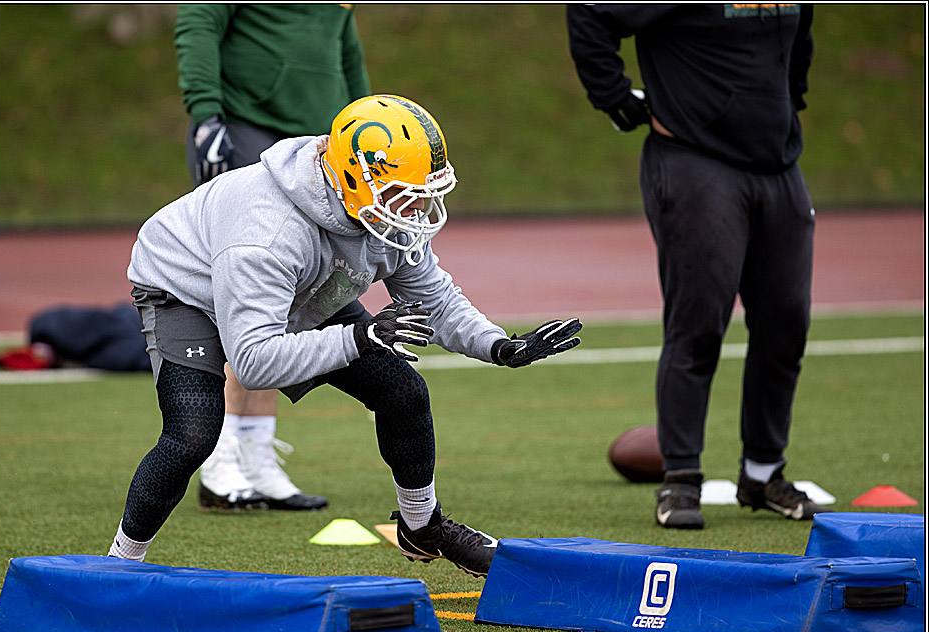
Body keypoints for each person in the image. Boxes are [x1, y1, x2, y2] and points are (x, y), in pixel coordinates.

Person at [108, 94, 583, 577]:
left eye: (425, 191)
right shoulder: (269, 231)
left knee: (402, 390)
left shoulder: (377, 207)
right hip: (188, 287)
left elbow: (435, 301)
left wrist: (499, 345)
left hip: (297, 283)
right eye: (406, 193)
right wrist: (359, 337)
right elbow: (253, 362)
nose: (419, 207)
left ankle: (422, 527)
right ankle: (119, 564)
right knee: (192, 433)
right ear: (357, 180)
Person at [567, 4, 831, 529]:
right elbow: (590, 12)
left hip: (778, 164)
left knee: (786, 323)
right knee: (699, 325)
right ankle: (681, 479)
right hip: (695, 159)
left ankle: (763, 474)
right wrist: (617, 100)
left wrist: (788, 101)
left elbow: (799, 31)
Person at [174, 4, 372, 512]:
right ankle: (220, 456)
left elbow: (344, 45)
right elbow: (199, 18)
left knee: (288, 303)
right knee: (247, 298)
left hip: (322, 145)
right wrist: (206, 113)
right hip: (251, 128)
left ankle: (257, 453)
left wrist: (366, 125)